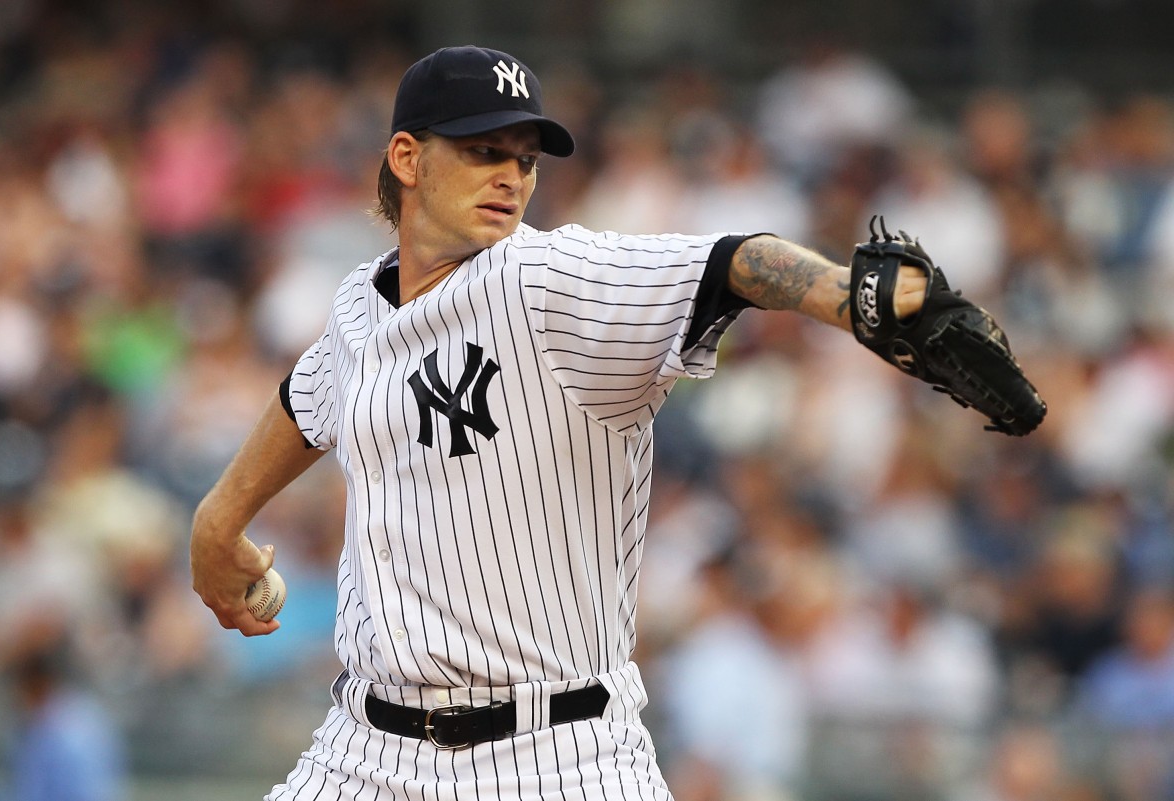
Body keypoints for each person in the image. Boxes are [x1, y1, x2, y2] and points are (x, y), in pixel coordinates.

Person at [190, 45, 927, 800]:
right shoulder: (362, 302)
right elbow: (308, 399)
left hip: (553, 752)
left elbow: (731, 263)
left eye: (526, 158)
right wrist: (220, 517)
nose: (512, 176)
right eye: (484, 151)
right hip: (365, 749)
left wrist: (846, 294)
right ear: (407, 157)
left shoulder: (549, 280)